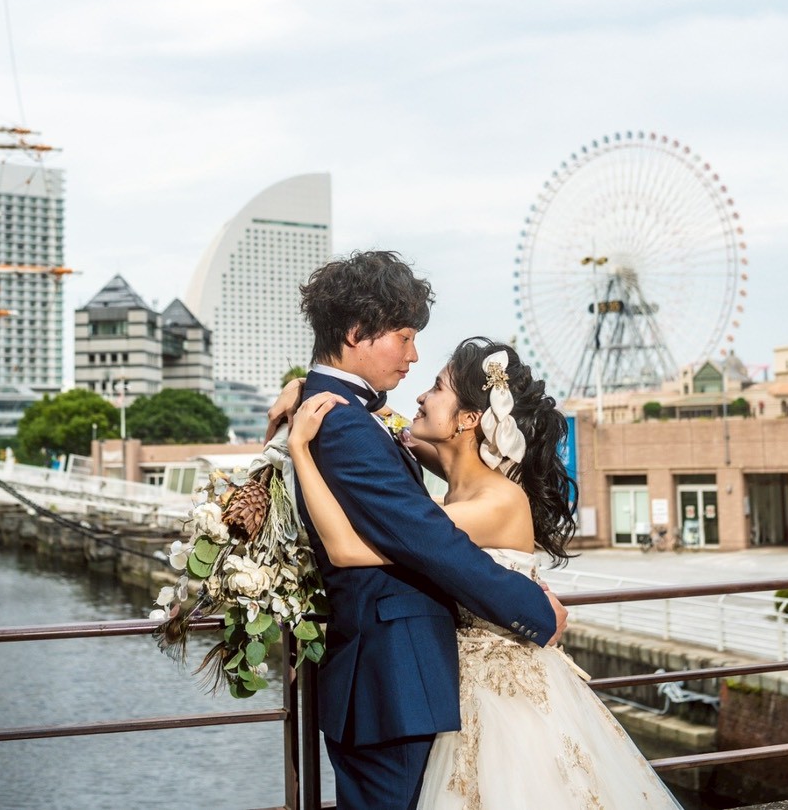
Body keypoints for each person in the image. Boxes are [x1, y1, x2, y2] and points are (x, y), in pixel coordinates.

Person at [288, 334, 683, 809]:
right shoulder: (455, 481)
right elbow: (391, 434)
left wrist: (301, 452)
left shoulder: (492, 503)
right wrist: (305, 390)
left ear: (471, 418)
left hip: (497, 692)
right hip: (457, 679)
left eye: (436, 387)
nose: (419, 394)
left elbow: (348, 549)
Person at [284, 252, 569, 810]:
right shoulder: (343, 424)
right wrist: (533, 609)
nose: (413, 358)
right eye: (405, 337)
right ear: (356, 331)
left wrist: (297, 390)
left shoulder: (345, 412)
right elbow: (430, 541)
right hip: (391, 683)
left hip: (397, 680)